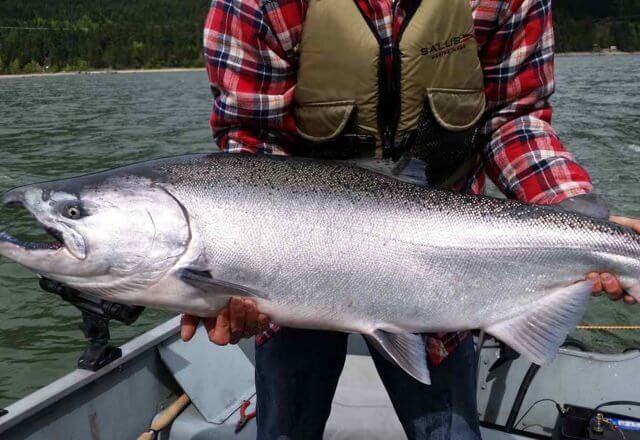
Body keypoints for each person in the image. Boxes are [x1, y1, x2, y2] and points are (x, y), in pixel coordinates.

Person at [181, 0, 639, 439]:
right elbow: (251, 144)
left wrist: (577, 215)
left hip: (447, 257)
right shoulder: (256, 3)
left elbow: (512, 118)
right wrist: (228, 271)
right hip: (290, 266)